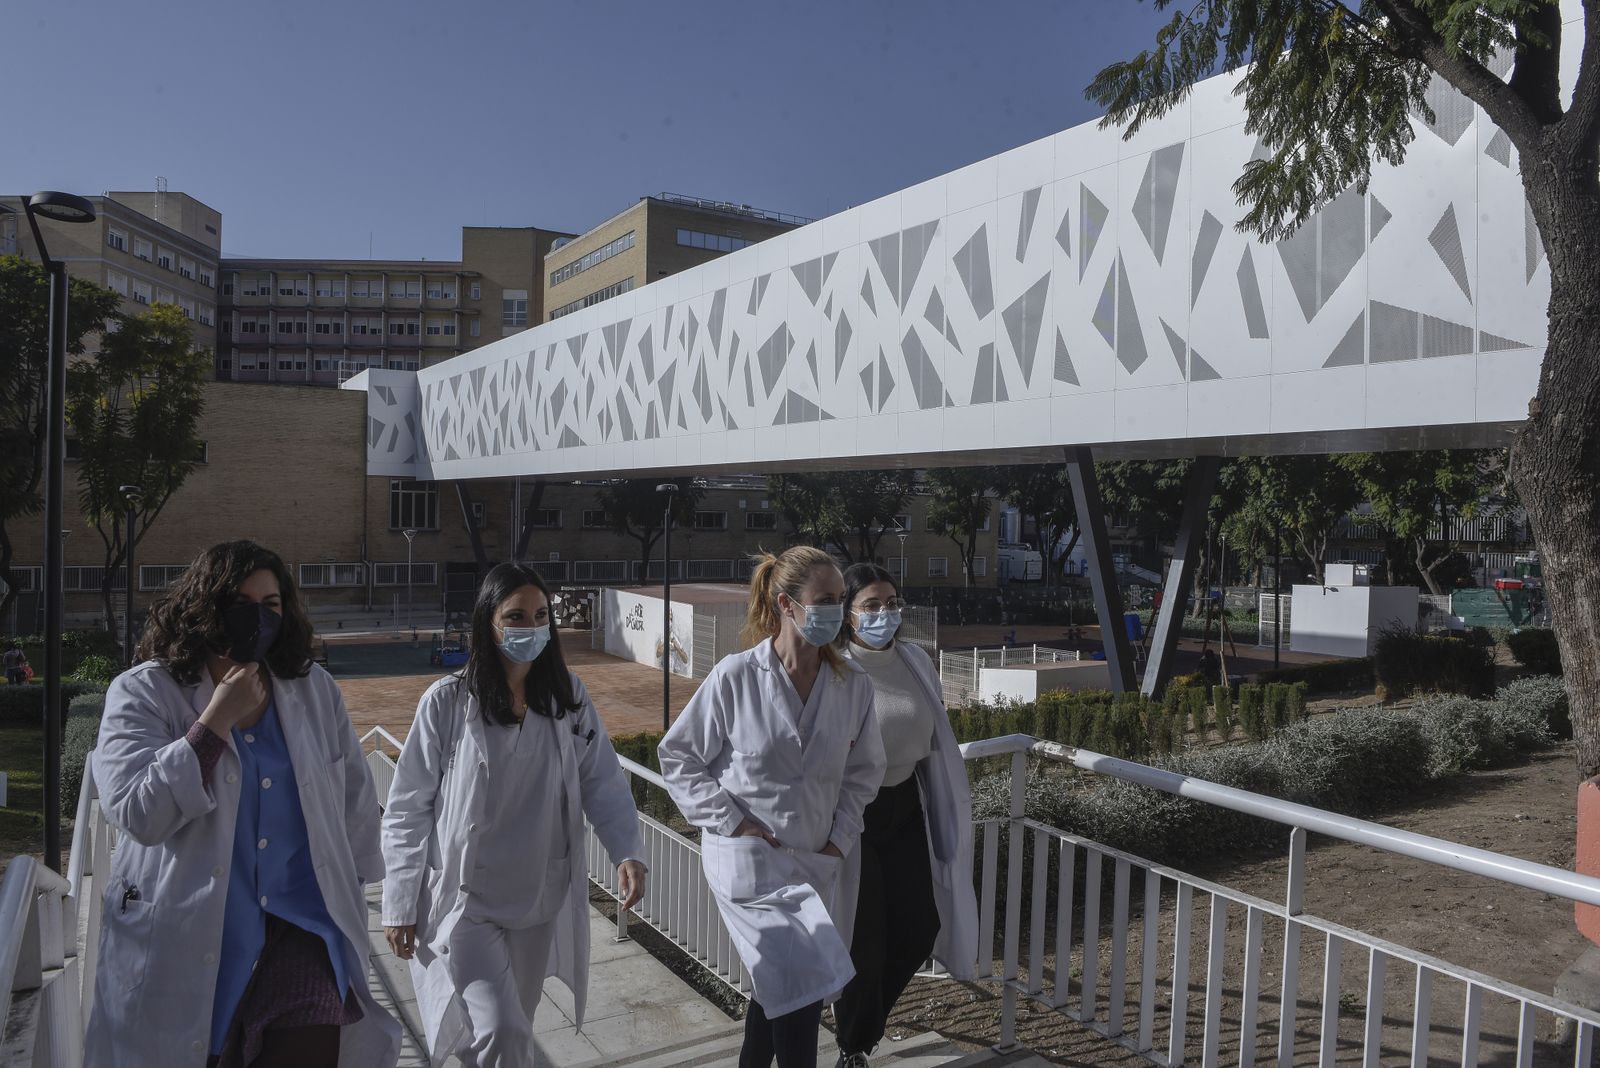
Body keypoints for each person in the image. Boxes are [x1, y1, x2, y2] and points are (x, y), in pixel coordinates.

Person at [86, 540, 400, 1068]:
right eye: (240, 603)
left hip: (303, 930)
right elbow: (138, 812)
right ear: (204, 607)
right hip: (194, 933)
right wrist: (212, 724)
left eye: (271, 605)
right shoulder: (143, 693)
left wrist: (380, 892)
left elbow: (353, 798)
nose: (257, 618)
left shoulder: (311, 690)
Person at [382, 562, 647, 1068]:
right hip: (468, 903)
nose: (532, 627)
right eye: (517, 616)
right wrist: (398, 903)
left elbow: (603, 780)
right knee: (503, 1032)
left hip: (536, 900)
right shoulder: (448, 702)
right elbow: (407, 807)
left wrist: (627, 850)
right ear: (490, 623)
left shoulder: (567, 699)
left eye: (541, 615)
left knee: (511, 1030)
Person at [658, 546, 886, 1068]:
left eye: (840, 599)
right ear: (786, 604)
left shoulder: (853, 687)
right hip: (750, 869)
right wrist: (733, 822)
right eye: (824, 600)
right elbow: (678, 757)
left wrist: (839, 840)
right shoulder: (735, 678)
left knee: (777, 992)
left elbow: (864, 773)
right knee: (801, 1001)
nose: (837, 609)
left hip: (814, 862)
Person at [831, 564, 979, 1068]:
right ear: (849, 616)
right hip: (855, 814)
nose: (885, 614)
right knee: (864, 945)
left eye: (891, 603)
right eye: (871, 605)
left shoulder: (915, 660)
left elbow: (931, 729)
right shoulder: (835, 667)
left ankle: (860, 1030)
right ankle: (853, 1045)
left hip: (906, 806)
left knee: (920, 928)